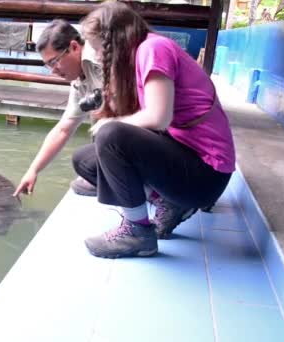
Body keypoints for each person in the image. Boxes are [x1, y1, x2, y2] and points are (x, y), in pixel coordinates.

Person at [74, 1, 235, 258]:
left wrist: (111, 124)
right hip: (184, 158)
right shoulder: (137, 55)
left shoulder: (153, 48)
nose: (95, 56)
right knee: (85, 161)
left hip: (206, 174)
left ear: (114, 39)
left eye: (97, 48)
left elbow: (158, 117)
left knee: (110, 134)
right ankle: (167, 202)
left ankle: (137, 232)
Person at [12, 19, 102, 199]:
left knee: (87, 156)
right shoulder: (79, 78)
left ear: (74, 47)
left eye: (54, 61)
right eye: (48, 65)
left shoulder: (102, 60)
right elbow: (64, 128)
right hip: (120, 139)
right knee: (85, 163)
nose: (53, 71)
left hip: (146, 133)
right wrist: (33, 170)